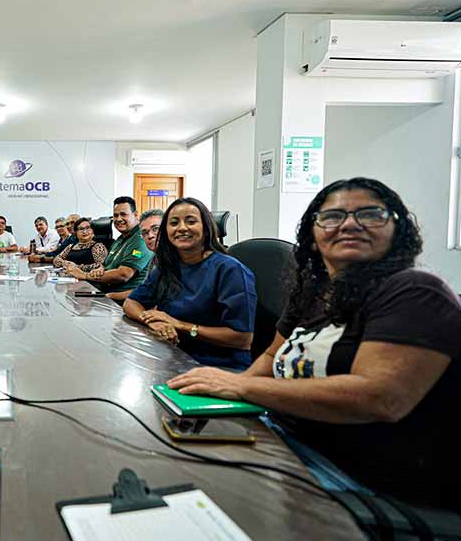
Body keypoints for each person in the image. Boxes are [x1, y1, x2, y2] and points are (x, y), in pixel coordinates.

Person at [167, 178, 461, 510]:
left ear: (397, 227)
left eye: (370, 214)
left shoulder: (416, 292)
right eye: (333, 216)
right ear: (314, 232)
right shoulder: (314, 291)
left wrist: (242, 388)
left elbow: (378, 398)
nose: (350, 223)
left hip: (362, 479)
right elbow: (270, 353)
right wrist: (225, 390)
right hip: (288, 438)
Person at [123, 198, 256, 369]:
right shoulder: (168, 267)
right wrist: (152, 321)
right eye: (174, 223)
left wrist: (179, 325)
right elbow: (131, 302)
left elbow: (242, 339)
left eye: (191, 221)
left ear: (206, 228)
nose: (182, 228)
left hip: (219, 366)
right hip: (174, 356)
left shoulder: (230, 270)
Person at [67, 197, 151, 293]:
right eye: (115, 215)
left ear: (135, 215)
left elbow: (124, 274)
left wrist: (84, 275)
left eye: (123, 214)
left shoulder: (140, 239)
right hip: (102, 289)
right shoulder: (120, 239)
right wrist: (99, 269)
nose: (119, 219)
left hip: (119, 299)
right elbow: (105, 265)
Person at [107, 208, 163, 301]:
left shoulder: (179, 259)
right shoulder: (155, 259)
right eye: (145, 233)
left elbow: (124, 274)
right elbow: (145, 290)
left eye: (155, 229)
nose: (150, 236)